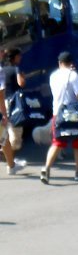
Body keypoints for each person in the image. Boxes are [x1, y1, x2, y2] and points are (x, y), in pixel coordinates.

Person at [41, 51, 78, 184]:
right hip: (74, 112)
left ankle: (46, 169)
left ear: (59, 63)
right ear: (71, 63)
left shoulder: (53, 76)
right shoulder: (73, 75)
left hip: (58, 112)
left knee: (57, 142)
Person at [1, 47, 27, 175]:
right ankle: (11, 162)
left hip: (3, 103)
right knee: (15, 136)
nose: (21, 58)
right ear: (15, 57)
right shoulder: (15, 69)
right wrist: (23, 77)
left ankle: (11, 162)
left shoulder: (3, 69)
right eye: (19, 56)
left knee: (4, 134)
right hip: (11, 104)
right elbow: (21, 83)